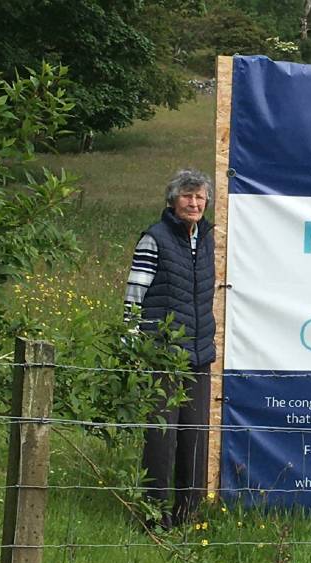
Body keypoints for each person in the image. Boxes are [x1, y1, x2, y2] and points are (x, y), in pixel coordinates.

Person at [124, 168, 216, 529]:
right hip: (163, 353)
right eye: (186, 196)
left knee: (195, 437)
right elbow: (135, 292)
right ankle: (153, 517)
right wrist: (132, 341)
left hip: (199, 353)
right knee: (161, 437)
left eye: (199, 197)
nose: (193, 203)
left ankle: (188, 516)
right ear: (172, 200)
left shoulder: (207, 238)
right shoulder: (154, 238)